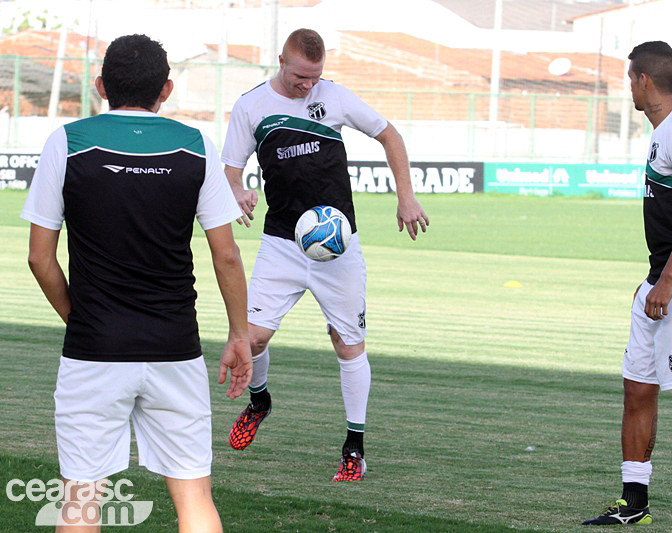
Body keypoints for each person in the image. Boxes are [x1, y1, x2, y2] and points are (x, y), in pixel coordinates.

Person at [21, 34, 252, 532]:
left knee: (80, 501)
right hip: (176, 347)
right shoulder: (196, 146)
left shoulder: (68, 141)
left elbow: (40, 258)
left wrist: (82, 318)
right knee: (194, 498)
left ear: (102, 86)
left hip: (94, 349)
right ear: (165, 90)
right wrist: (238, 334)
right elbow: (226, 255)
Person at [221, 28, 429, 482]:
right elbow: (231, 170)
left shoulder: (333, 97)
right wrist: (237, 191)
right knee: (251, 339)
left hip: (339, 247)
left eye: (314, 77)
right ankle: (260, 401)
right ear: (281, 61)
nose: (307, 86)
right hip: (281, 243)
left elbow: (389, 135)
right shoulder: (250, 106)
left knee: (347, 343)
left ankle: (354, 447)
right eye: (299, 77)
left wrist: (405, 195)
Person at [583, 41, 672, 527]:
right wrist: (653, 281)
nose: (629, 88)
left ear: (644, 80)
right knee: (638, 388)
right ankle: (634, 502)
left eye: (630, 79)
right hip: (658, 283)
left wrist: (666, 279)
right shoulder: (666, 131)